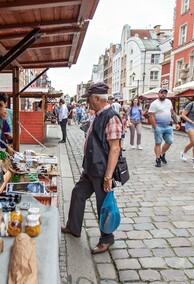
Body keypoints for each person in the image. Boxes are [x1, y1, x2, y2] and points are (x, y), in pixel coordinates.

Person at [61, 82, 122, 254]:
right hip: (91, 167)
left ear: (97, 98)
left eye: (89, 99)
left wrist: (108, 176)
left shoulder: (111, 117)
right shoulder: (99, 114)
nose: (88, 102)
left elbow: (115, 148)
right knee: (78, 193)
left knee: (103, 204)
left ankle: (107, 238)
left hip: (102, 170)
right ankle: (74, 226)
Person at [148, 88, 180, 167]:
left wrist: (177, 123)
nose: (163, 94)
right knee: (158, 143)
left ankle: (162, 154)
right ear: (158, 94)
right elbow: (151, 116)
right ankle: (158, 158)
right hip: (158, 125)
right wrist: (155, 127)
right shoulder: (154, 103)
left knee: (169, 141)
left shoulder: (169, 102)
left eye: (165, 93)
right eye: (162, 93)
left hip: (168, 125)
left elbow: (172, 112)